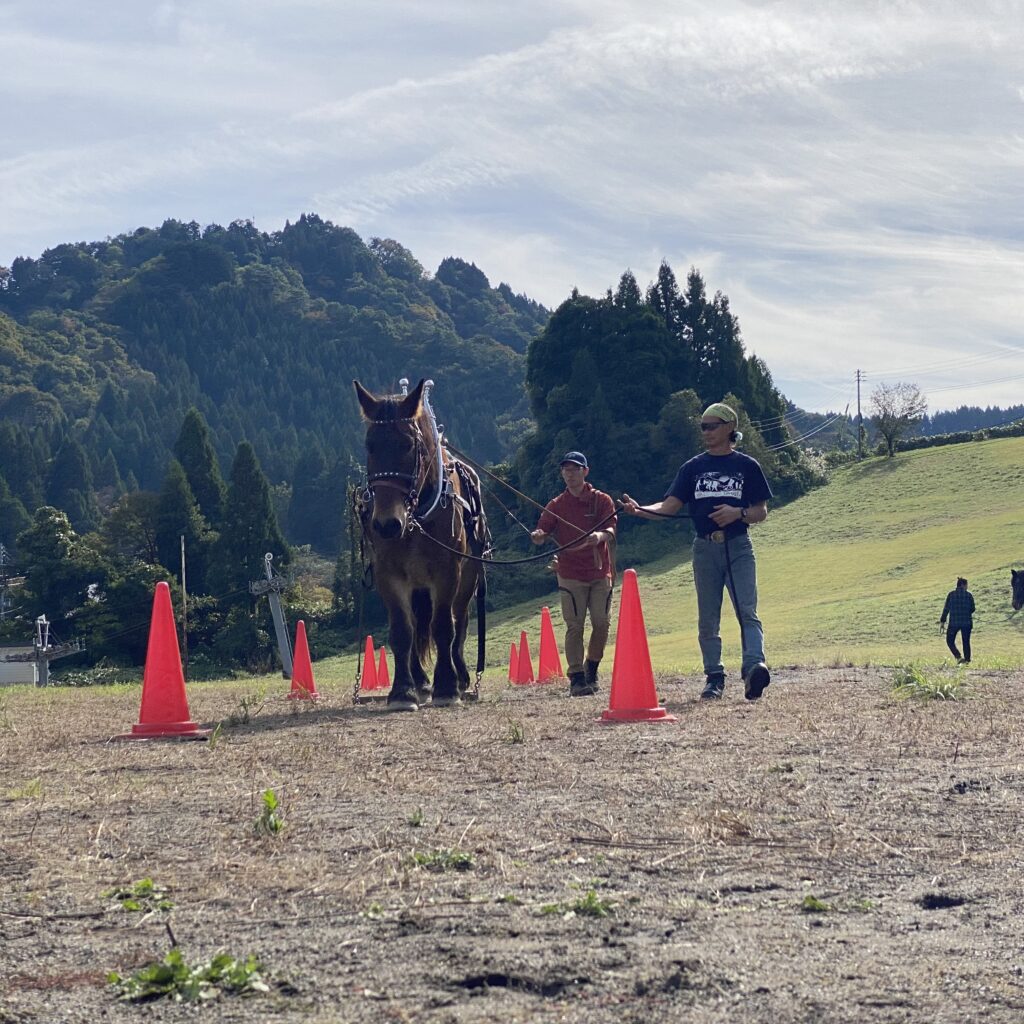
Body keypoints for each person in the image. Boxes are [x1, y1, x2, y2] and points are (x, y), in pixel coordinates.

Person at [620, 402, 772, 701]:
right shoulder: (692, 468)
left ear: (730, 427)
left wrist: (737, 513)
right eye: (703, 426)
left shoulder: (747, 466)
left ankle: (755, 667)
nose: (706, 431)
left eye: (712, 425)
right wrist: (638, 510)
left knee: (747, 611)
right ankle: (714, 677)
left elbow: (761, 511)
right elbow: (667, 508)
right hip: (704, 548)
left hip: (738, 546)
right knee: (707, 618)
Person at [531, 451, 617, 697]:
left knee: (601, 623)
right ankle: (577, 676)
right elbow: (542, 529)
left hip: (600, 571)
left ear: (585, 472)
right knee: (574, 626)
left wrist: (598, 536)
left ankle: (593, 665)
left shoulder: (602, 500)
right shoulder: (556, 505)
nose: (570, 474)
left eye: (575, 469)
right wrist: (538, 536)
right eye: (566, 470)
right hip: (569, 573)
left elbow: (611, 529)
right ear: (562, 474)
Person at [939, 577, 975, 664]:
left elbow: (946, 609)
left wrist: (943, 620)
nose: (967, 587)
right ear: (963, 585)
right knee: (966, 641)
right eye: (966, 585)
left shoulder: (951, 595)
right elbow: (973, 609)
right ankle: (967, 660)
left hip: (954, 623)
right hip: (967, 622)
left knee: (949, 641)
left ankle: (958, 657)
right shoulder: (969, 595)